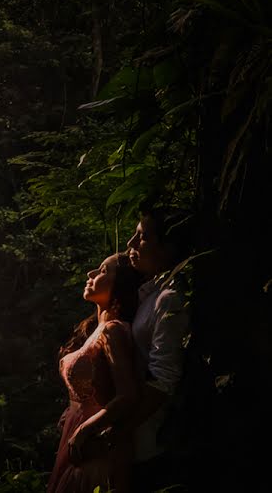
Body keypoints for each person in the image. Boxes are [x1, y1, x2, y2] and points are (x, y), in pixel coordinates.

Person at [48, 252, 145, 493]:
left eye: (102, 271)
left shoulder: (113, 331)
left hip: (97, 443)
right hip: (78, 433)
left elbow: (128, 395)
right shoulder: (96, 328)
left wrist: (85, 428)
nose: (90, 274)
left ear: (119, 284)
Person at [124, 205, 193, 491]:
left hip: (151, 444)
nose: (131, 243)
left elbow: (164, 378)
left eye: (142, 237)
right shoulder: (151, 293)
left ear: (167, 247)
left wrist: (116, 430)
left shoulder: (171, 299)